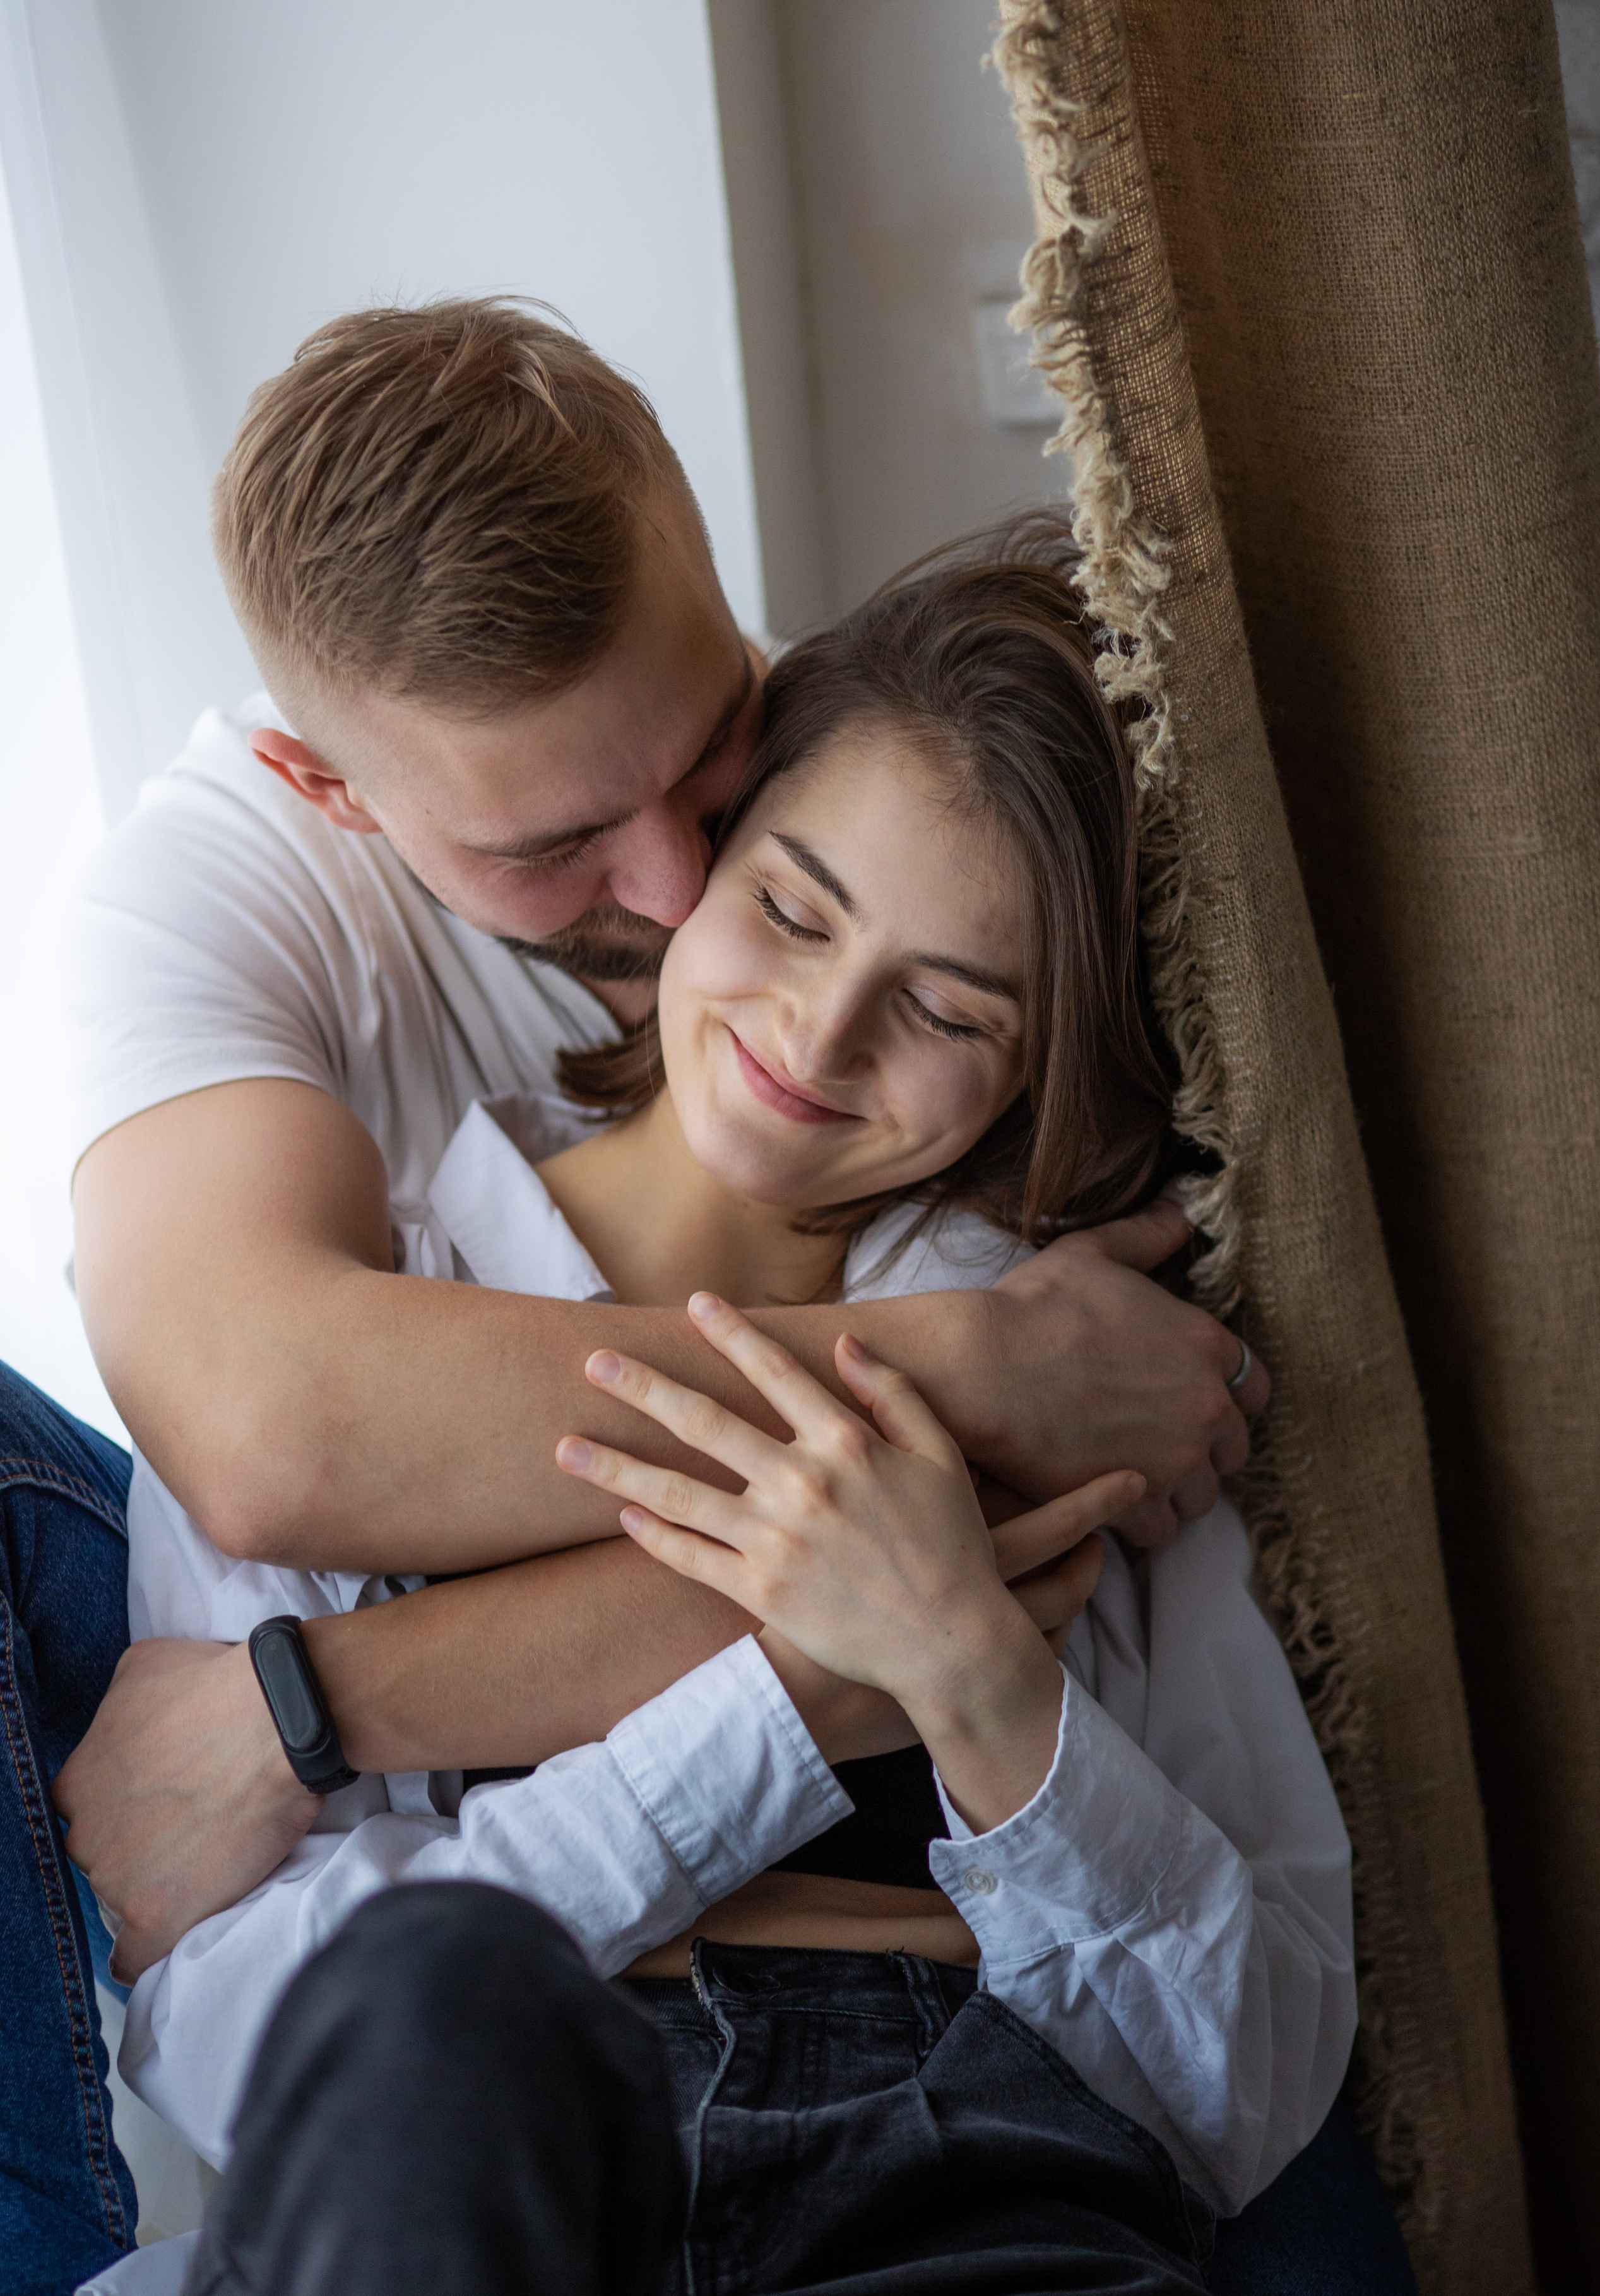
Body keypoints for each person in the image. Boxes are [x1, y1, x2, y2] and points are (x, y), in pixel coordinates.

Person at [96, 528, 1364, 2294]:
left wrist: (981, 1687)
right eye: (792, 906)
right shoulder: (375, 1331)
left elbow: (1253, 2090)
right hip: (497, 2144)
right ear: (702, 853)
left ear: (1036, 1064)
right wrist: (780, 1703)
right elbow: (236, 2035)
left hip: (959, 2153)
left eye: (945, 1007)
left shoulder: (1095, 1382)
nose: (820, 1034)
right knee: (436, 1992)